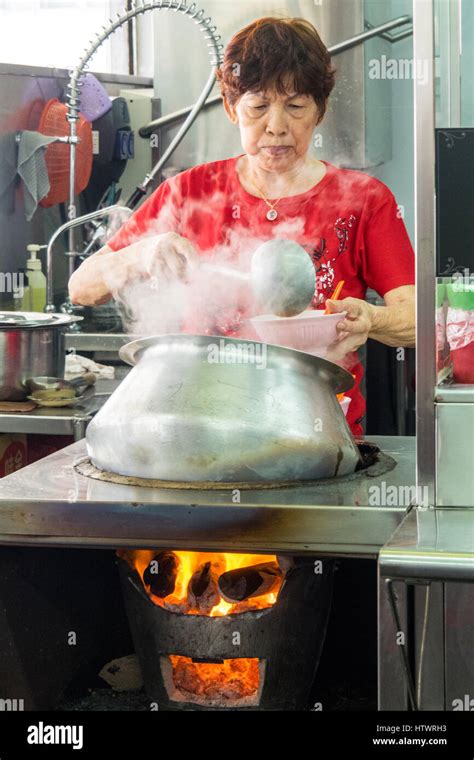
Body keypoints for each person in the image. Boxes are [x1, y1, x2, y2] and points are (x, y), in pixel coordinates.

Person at [69, 16, 415, 436]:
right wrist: (143, 252)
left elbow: (418, 321)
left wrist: (372, 321)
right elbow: (82, 288)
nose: (276, 126)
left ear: (320, 110)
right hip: (201, 430)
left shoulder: (364, 199)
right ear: (232, 107)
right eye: (258, 106)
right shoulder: (189, 192)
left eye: (295, 106)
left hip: (319, 433)